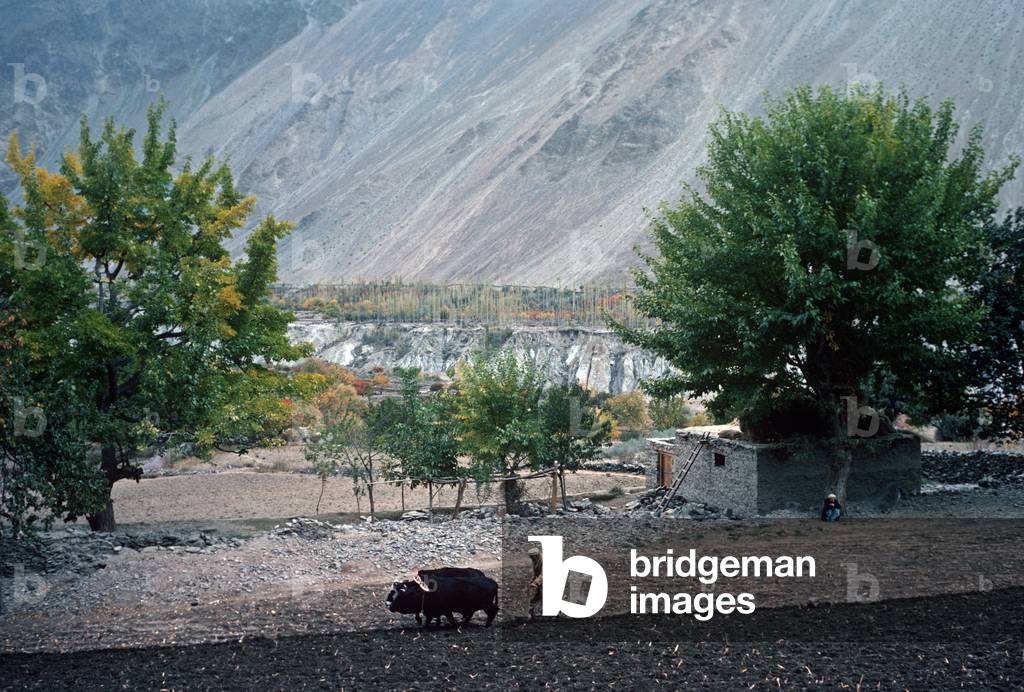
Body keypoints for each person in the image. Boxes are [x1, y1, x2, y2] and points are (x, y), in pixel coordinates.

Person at [527, 546, 543, 618]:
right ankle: (531, 610)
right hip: (542, 581)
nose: (531, 559)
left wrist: (535, 583)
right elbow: (537, 573)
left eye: (532, 557)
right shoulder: (536, 561)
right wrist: (532, 581)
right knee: (538, 596)